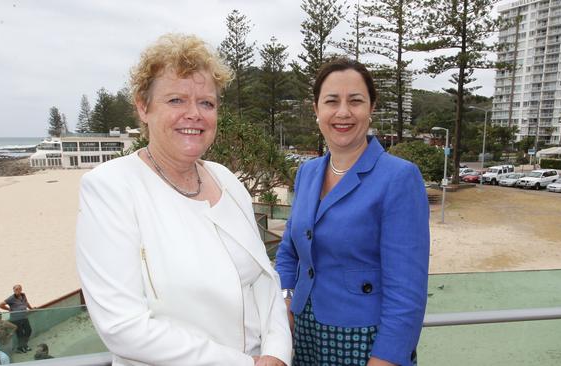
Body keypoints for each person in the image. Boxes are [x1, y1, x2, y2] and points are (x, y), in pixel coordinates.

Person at [75, 33, 291, 366]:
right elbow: (123, 327)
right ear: (143, 107)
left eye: (206, 103)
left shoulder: (227, 181)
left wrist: (277, 351)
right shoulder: (111, 188)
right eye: (176, 100)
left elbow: (265, 277)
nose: (194, 114)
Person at [275, 58, 430, 366]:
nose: (343, 112)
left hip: (365, 340)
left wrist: (385, 358)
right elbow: (289, 250)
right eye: (331, 101)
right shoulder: (307, 173)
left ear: (371, 108)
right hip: (304, 334)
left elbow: (407, 291)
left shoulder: (399, 177)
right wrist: (286, 298)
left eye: (355, 101)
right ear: (316, 110)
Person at [0, 284, 34, 353]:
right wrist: (9, 309)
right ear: (13, 290)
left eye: (19, 289)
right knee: (20, 334)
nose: (18, 291)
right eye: (16, 289)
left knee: (28, 331)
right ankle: (21, 347)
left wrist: (31, 308)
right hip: (16, 319)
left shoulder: (23, 295)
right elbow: (0, 305)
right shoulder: (11, 298)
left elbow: (26, 302)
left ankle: (24, 345)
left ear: (21, 289)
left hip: (24, 317)